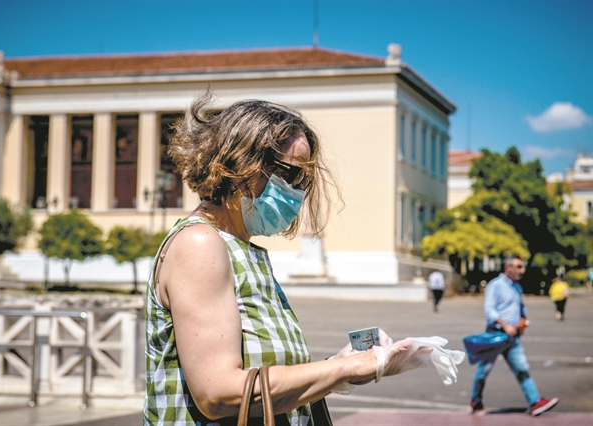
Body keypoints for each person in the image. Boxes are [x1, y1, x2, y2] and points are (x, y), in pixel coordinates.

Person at [143, 93, 436, 426]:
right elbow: (218, 394)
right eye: (289, 174)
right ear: (239, 163)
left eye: (303, 180)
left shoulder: (242, 249)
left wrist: (340, 368)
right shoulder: (200, 244)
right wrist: (347, 367)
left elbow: (263, 375)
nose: (297, 190)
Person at [470, 255, 559, 417]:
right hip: (495, 335)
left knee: (522, 369)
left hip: (513, 338)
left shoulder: (517, 287)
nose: (522, 271)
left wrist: (523, 321)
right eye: (518, 267)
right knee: (484, 370)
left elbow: (521, 308)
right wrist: (505, 325)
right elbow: (489, 310)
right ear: (507, 268)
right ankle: (475, 401)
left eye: (522, 267)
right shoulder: (495, 285)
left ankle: (535, 402)